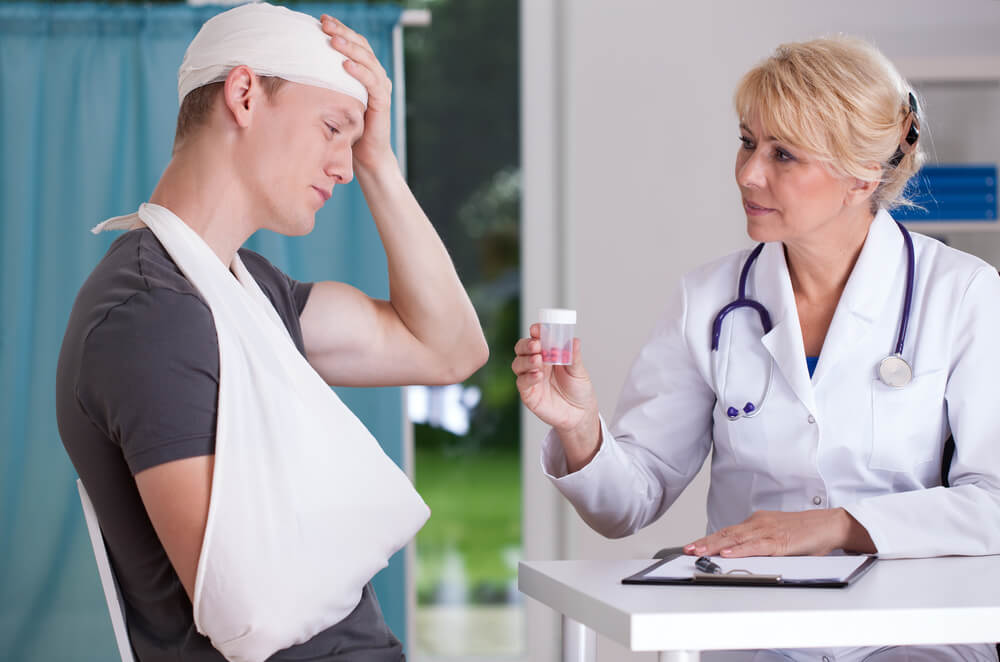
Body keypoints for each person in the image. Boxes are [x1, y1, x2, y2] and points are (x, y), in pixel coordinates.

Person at [513, 36, 1000, 662]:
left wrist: (841, 526)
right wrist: (580, 428)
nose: (748, 173)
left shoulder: (962, 295)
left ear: (863, 174)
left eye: (784, 154)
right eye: (747, 142)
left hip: (912, 631)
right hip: (748, 628)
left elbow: (993, 499)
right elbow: (626, 506)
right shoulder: (710, 300)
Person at [56, 4, 488, 661]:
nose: (344, 167)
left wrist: (380, 163)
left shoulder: (247, 292)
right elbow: (252, 614)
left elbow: (449, 349)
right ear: (245, 94)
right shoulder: (151, 316)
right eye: (333, 129)